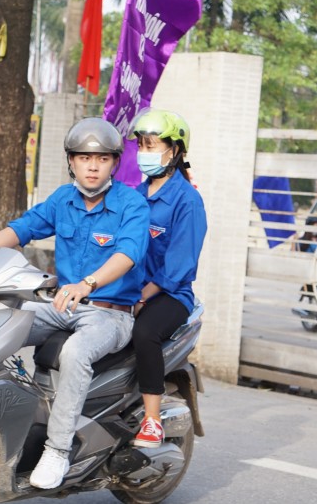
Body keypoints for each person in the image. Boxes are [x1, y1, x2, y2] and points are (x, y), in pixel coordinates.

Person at [0, 117, 149, 489]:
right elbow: (22, 228)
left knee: (75, 354)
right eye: (84, 157)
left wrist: (88, 283)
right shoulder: (63, 199)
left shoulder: (131, 204)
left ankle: (57, 450)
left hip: (110, 315)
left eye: (102, 158)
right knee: (2, 319)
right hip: (62, 306)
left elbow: (128, 254)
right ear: (71, 160)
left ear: (114, 163)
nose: (92, 165)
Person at [128, 109, 207, 448]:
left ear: (175, 151)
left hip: (170, 295)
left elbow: (179, 264)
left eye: (153, 145)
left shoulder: (187, 200)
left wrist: (143, 296)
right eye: (142, 145)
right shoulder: (134, 194)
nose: (145, 153)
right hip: (131, 289)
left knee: (145, 332)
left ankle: (152, 420)